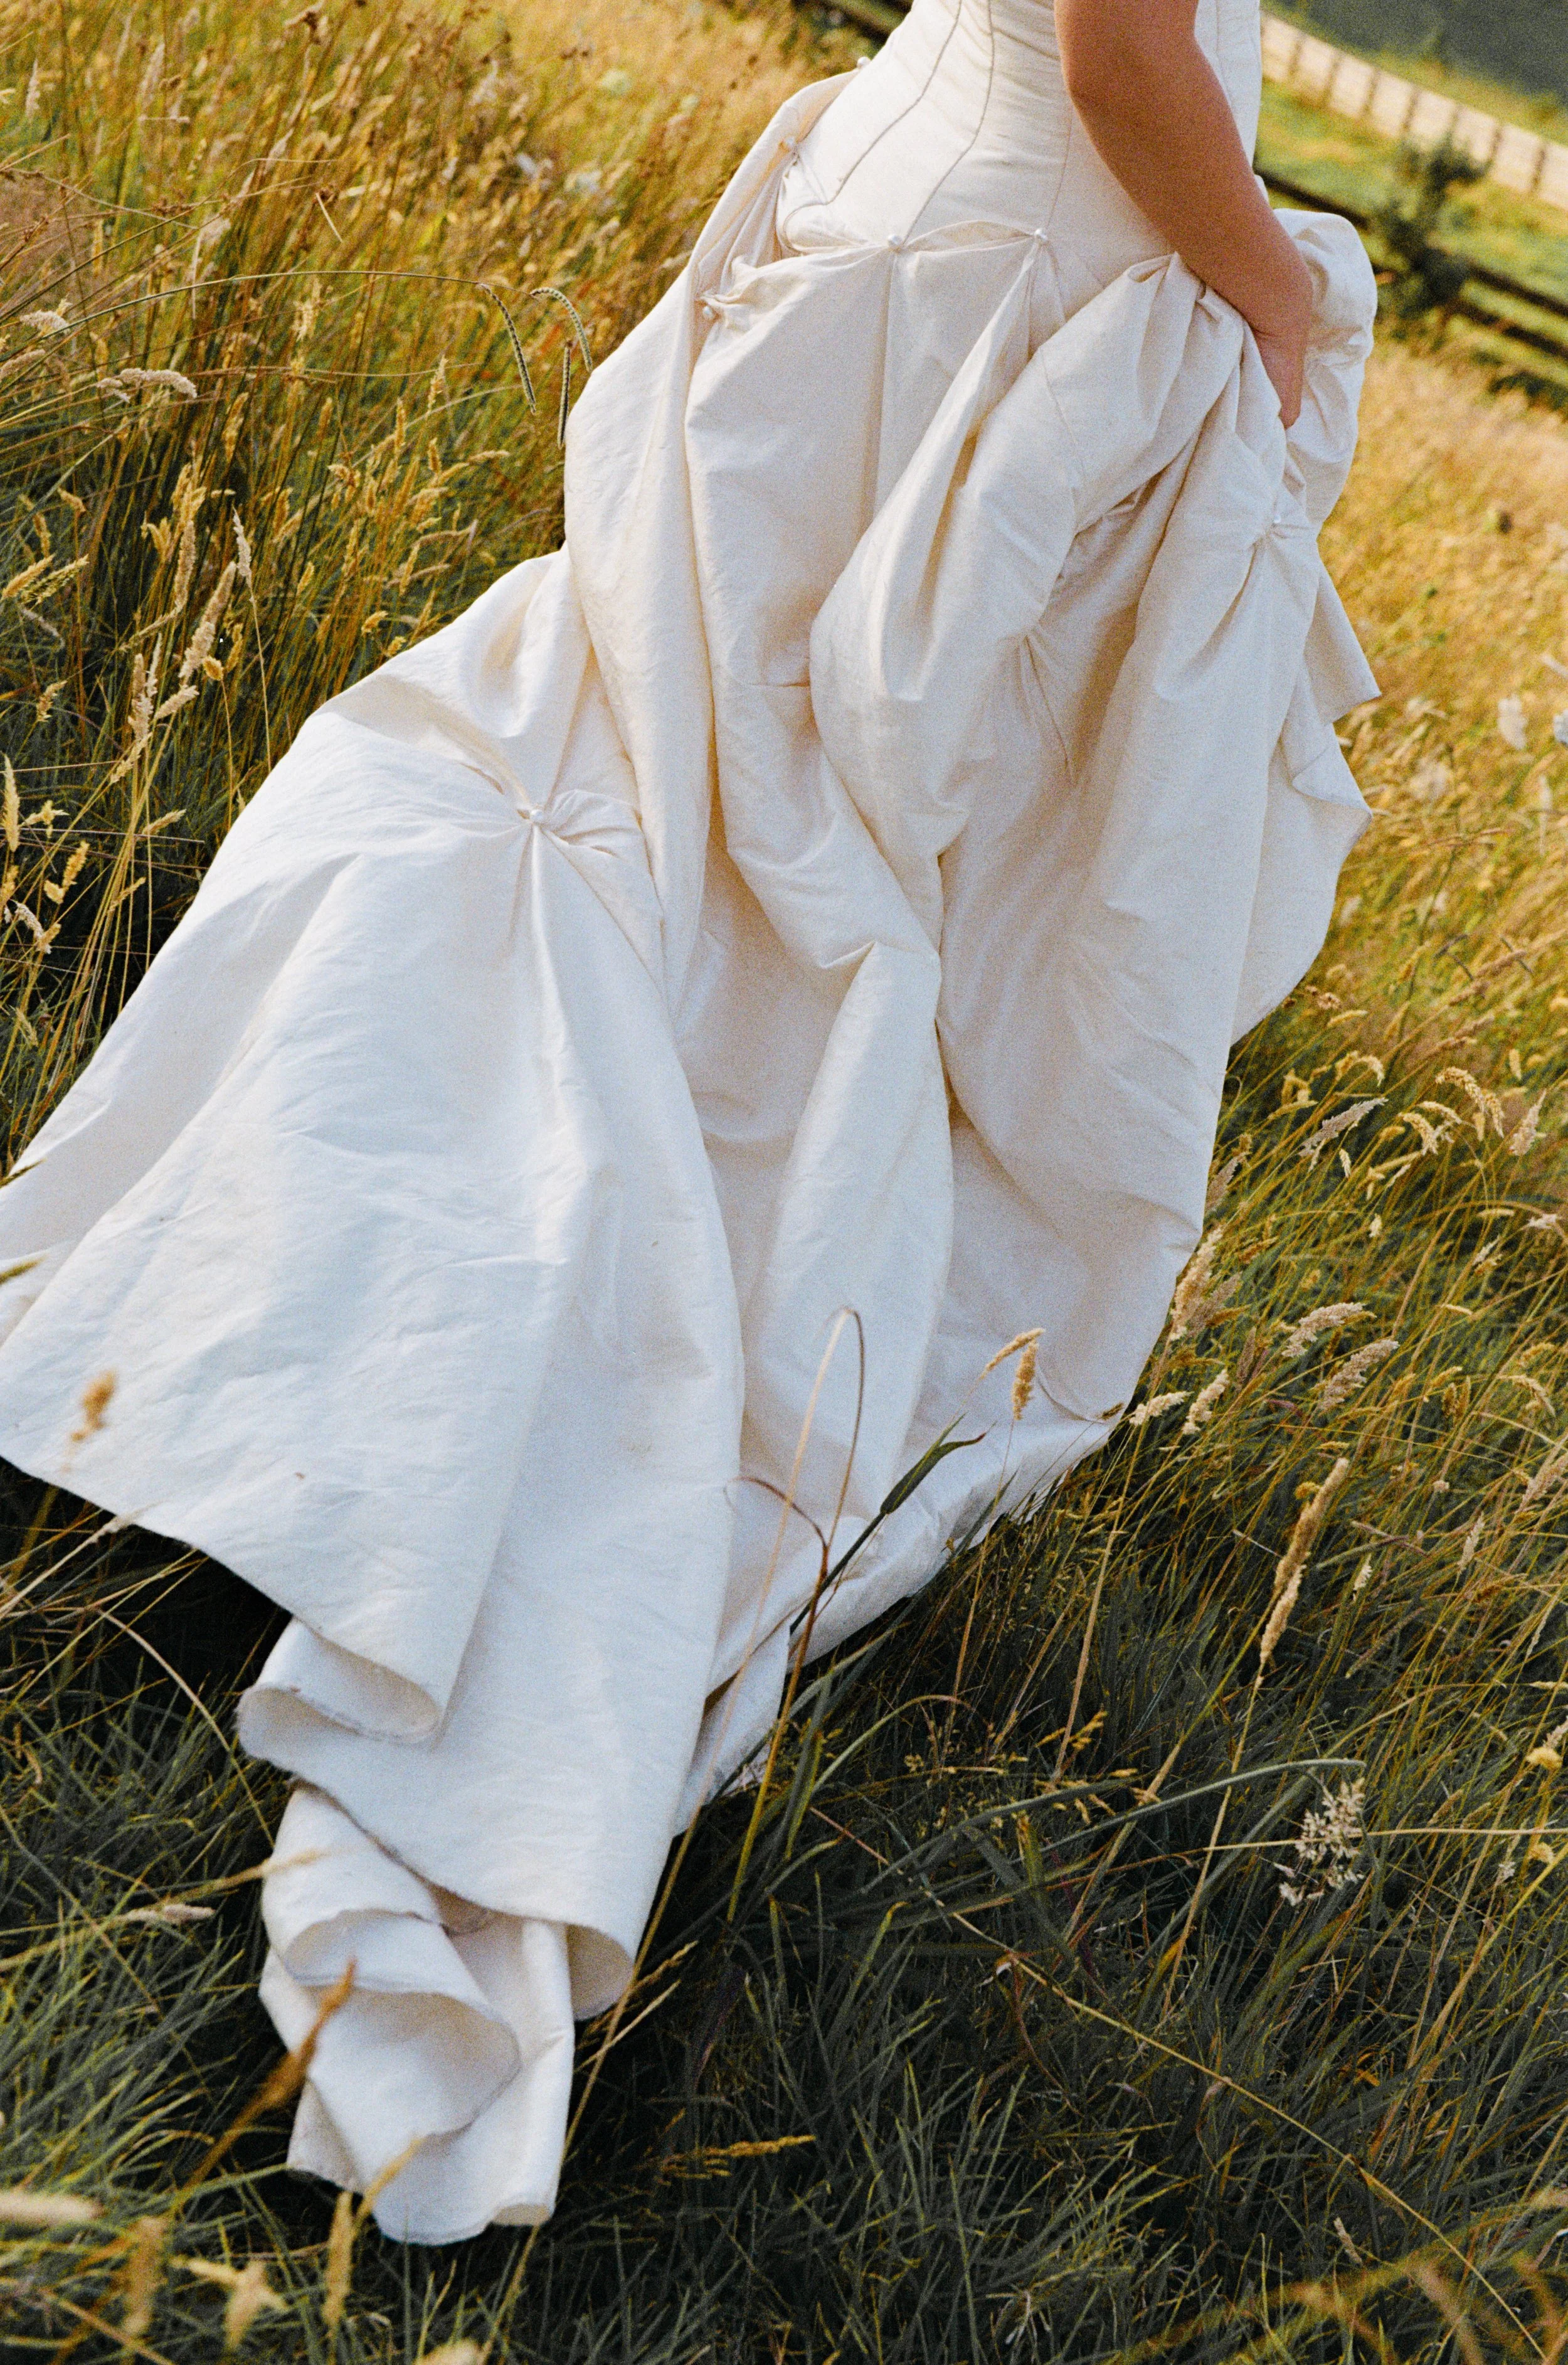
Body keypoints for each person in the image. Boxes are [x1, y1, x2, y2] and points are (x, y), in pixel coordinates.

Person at [0, 0, 1376, 2240]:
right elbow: (1128, 48)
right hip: (1006, 284)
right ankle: (532, 1351)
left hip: (925, 225)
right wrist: (1276, 299)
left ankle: (314, 1274)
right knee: (735, 892)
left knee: (670, 830)